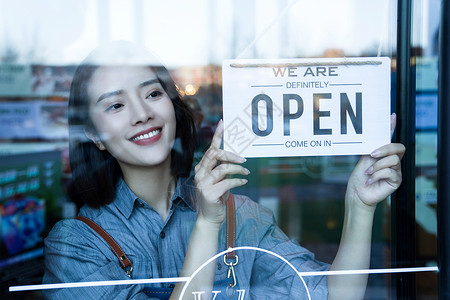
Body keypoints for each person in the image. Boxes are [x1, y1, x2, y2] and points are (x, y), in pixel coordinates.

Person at [43, 41, 405, 300]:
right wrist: (207, 223)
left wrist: (360, 204)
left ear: (172, 104)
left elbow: (332, 295)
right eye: (116, 104)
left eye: (153, 94)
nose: (142, 113)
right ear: (94, 135)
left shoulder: (242, 215)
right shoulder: (76, 244)